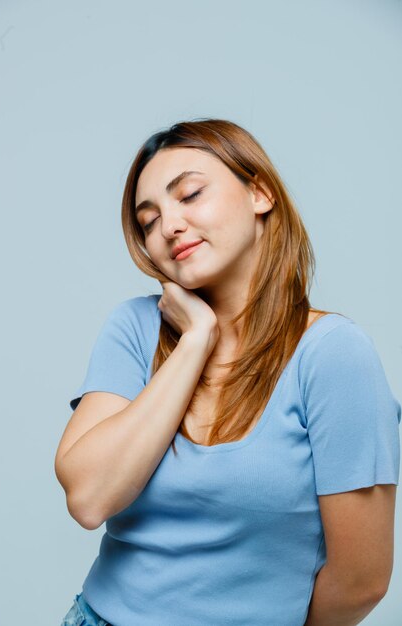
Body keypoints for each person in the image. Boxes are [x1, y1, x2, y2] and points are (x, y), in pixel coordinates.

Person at [55, 118, 401, 626]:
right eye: (148, 221)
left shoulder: (332, 355)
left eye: (190, 194)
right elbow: (89, 498)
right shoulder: (133, 327)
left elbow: (362, 581)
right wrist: (196, 340)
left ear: (259, 192)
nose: (169, 226)